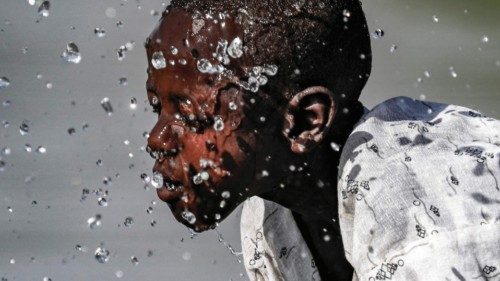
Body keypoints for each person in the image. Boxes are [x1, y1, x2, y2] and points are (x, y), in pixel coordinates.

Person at [144, 0, 500, 280]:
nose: (157, 139)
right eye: (157, 106)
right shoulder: (270, 219)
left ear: (304, 123)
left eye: (191, 115)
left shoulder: (422, 215)